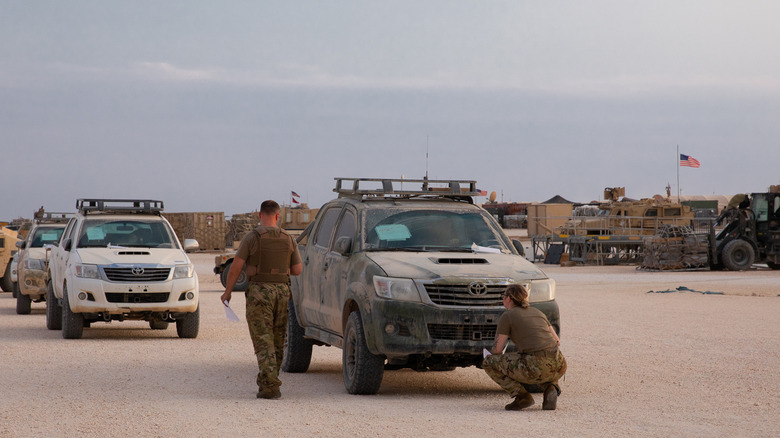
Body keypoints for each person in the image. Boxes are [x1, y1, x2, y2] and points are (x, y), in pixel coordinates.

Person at [221, 200, 302, 399]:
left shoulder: (252, 237)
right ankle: (269, 380)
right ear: (278, 215)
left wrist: (228, 292)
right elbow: (297, 270)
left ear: (259, 215)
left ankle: (270, 386)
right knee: (277, 338)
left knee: (262, 339)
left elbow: (236, 267)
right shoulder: (288, 239)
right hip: (282, 292)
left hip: (259, 292)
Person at [482, 284, 567, 411]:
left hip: (536, 365)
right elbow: (557, 341)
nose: (503, 299)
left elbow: (498, 350)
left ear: (509, 298)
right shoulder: (537, 312)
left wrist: (490, 354)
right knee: (534, 365)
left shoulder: (508, 315)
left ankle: (522, 396)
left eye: (503, 296)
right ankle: (551, 388)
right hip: (559, 364)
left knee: (489, 362)